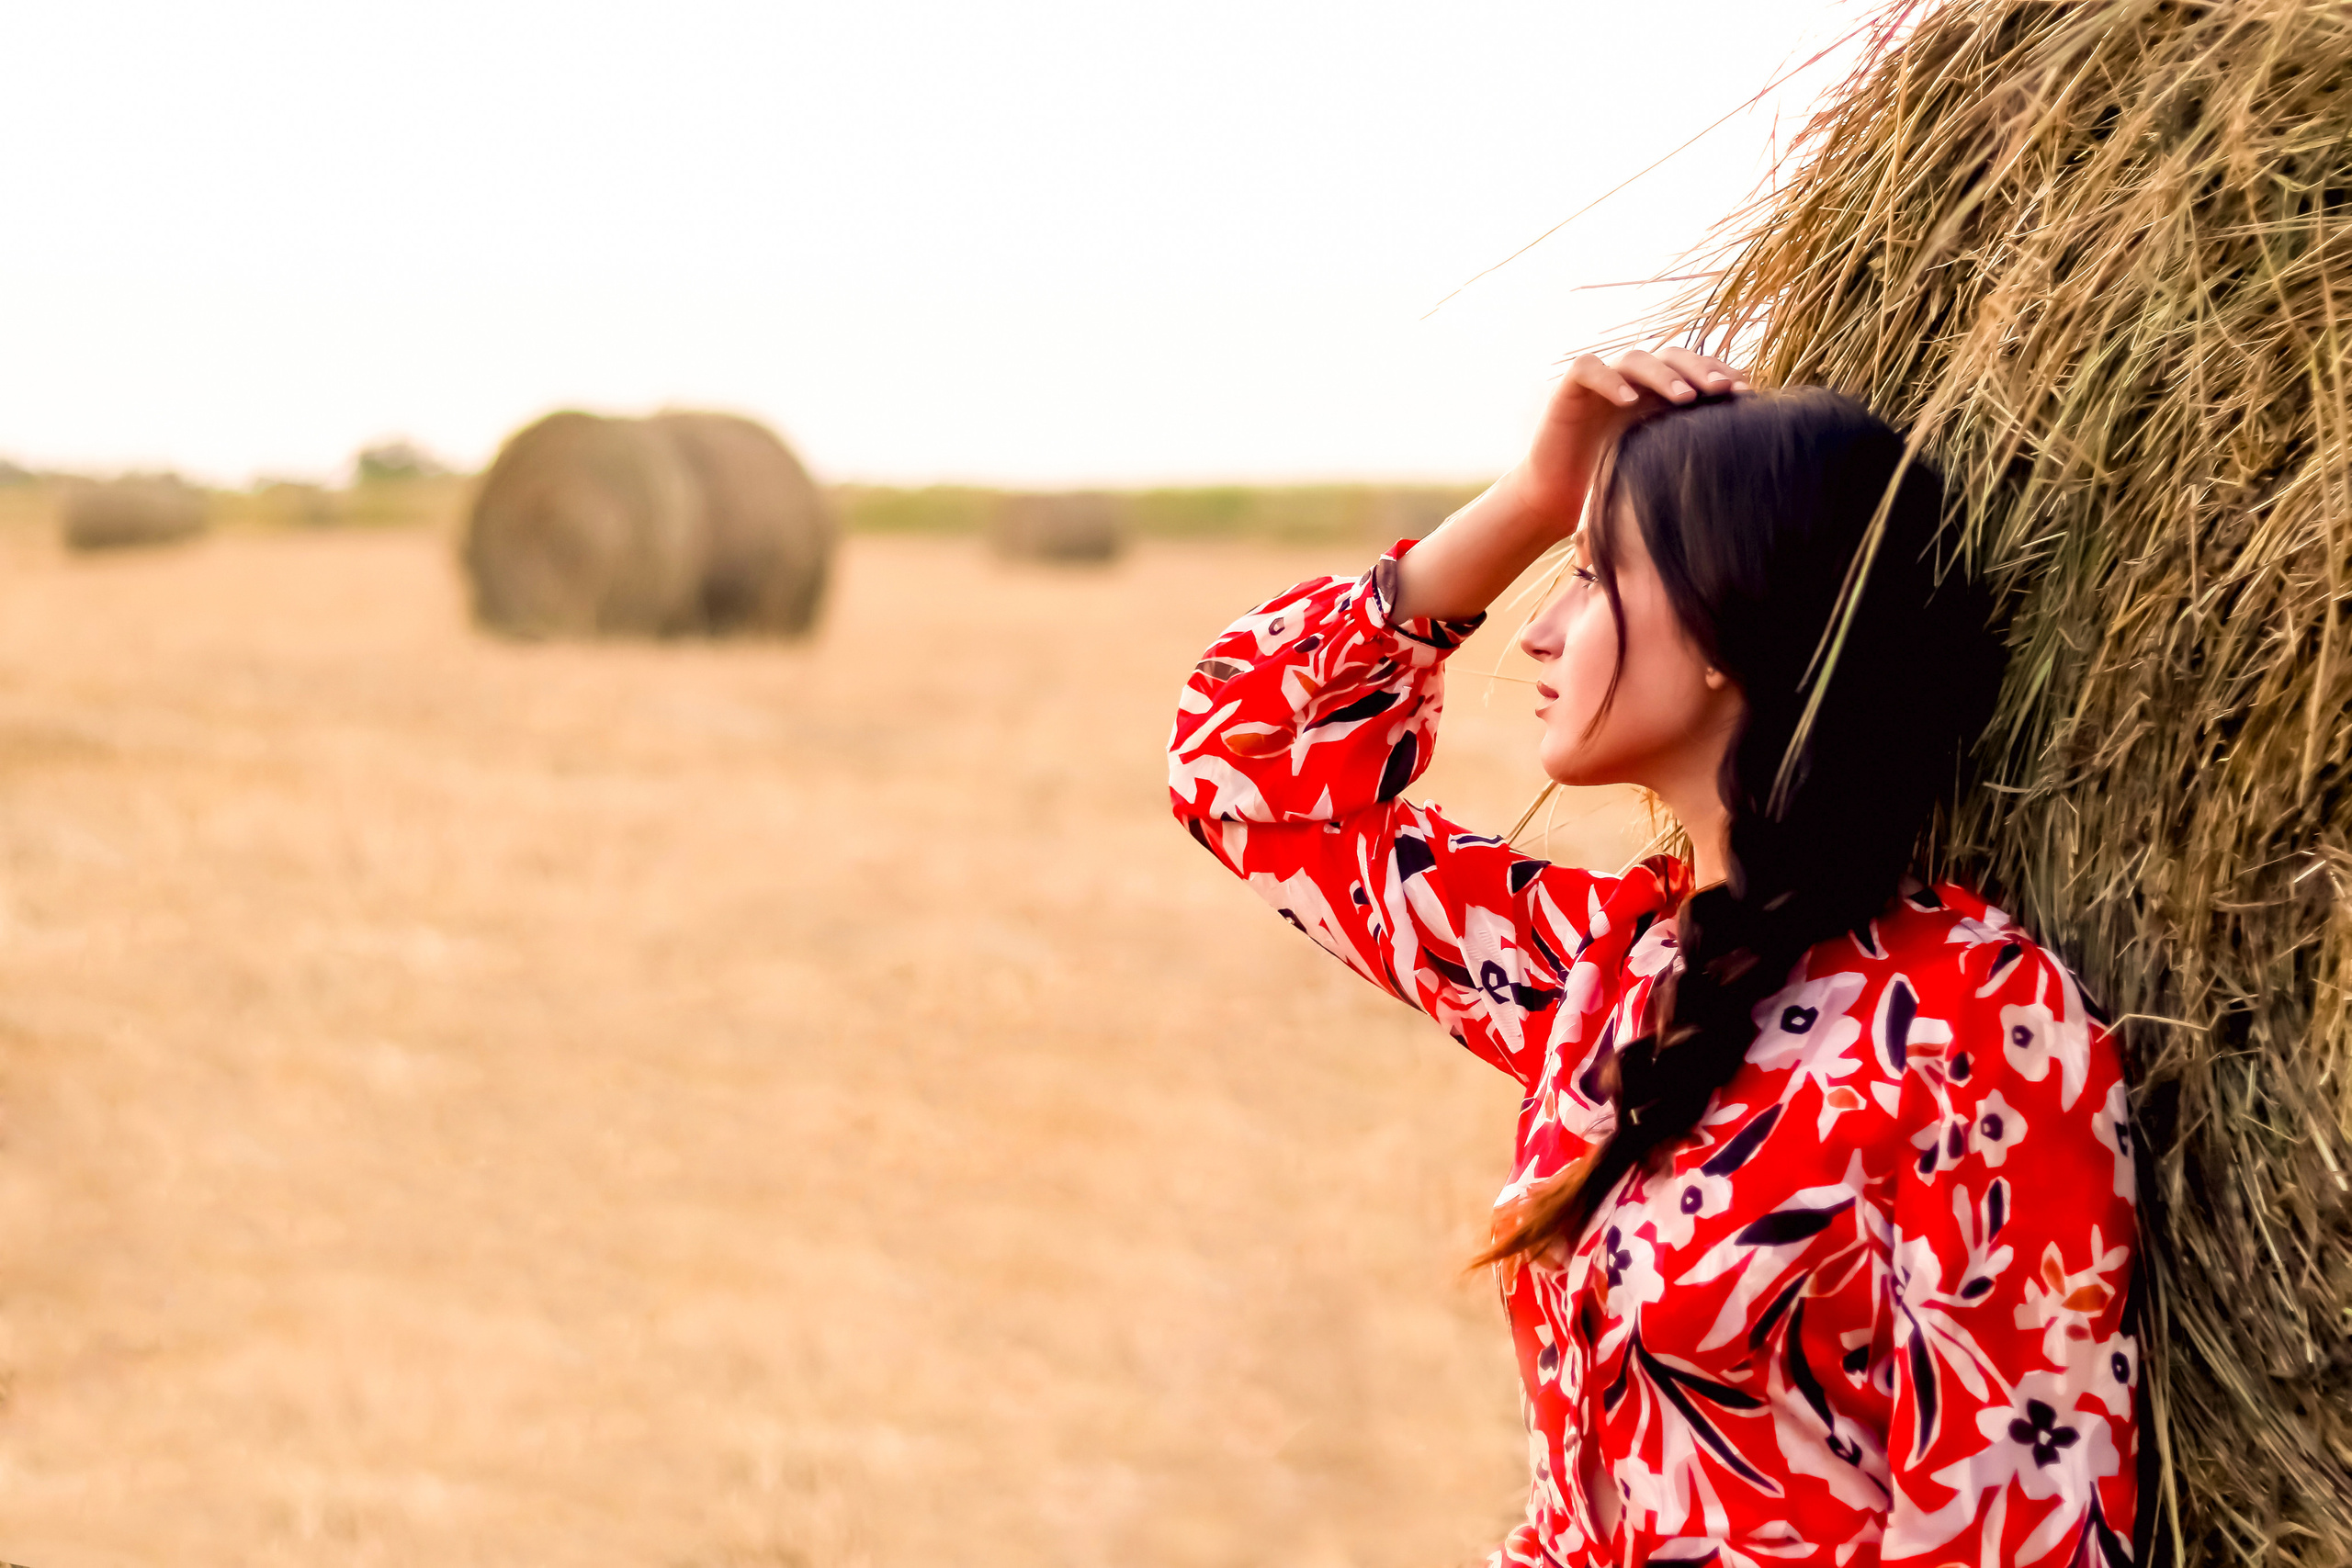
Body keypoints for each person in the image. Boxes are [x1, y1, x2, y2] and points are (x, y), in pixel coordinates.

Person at [1167, 345, 2142, 1568]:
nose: (1541, 634)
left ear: (1734, 618)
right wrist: (1533, 494)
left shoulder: (1973, 1025)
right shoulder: (1599, 974)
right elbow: (1242, 772)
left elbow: (2021, 1528)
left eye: (1593, 576)